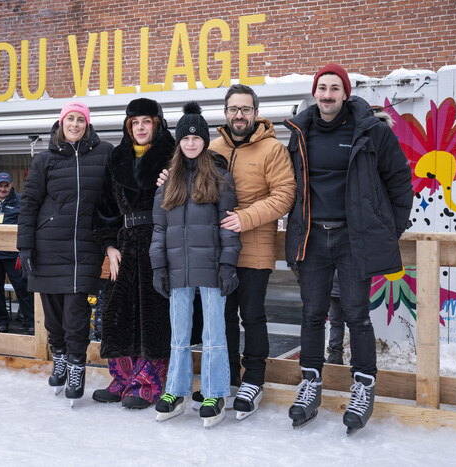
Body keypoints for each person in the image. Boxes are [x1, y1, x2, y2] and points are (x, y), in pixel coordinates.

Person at [284, 64, 413, 433]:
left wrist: (391, 229)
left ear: (346, 93)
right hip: (312, 237)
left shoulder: (370, 131)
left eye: (334, 89)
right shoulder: (300, 132)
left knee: (357, 314)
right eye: (322, 88)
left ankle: (363, 386)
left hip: (352, 238)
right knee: (312, 314)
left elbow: (400, 179)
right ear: (315, 93)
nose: (327, 95)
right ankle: (310, 385)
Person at [193, 84, 297, 419]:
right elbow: (193, 183)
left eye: (246, 109)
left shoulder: (272, 150)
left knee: (251, 315)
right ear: (226, 113)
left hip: (254, 247)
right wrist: (168, 177)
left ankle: (253, 379)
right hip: (219, 250)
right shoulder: (212, 147)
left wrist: (244, 218)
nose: (240, 115)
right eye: (234, 109)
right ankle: (225, 378)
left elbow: (284, 195)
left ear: (255, 113)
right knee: (222, 317)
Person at [150, 102, 241, 428]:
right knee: (179, 334)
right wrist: (159, 267)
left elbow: (229, 228)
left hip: (212, 268)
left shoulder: (220, 179)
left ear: (204, 141)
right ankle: (176, 391)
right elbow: (159, 230)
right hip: (177, 270)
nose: (191, 143)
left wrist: (228, 265)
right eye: (185, 139)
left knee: (214, 333)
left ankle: (215, 392)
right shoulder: (167, 183)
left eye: (196, 138)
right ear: (179, 142)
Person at [17, 101, 113, 406]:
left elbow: (113, 199)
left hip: (86, 247)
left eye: (80, 119)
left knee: (77, 314)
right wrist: (25, 246)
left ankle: (75, 366)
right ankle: (58, 356)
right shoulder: (45, 160)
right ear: (61, 123)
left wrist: (110, 239)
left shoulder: (104, 153)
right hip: (49, 247)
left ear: (87, 124)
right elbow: (29, 204)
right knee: (54, 318)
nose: (74, 124)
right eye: (69, 119)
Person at [92, 98, 175, 409]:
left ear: (157, 123)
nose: (141, 128)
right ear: (129, 126)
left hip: (159, 240)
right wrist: (109, 246)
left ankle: (148, 382)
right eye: (135, 122)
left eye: (147, 122)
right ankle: (122, 378)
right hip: (125, 243)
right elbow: (104, 209)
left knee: (153, 314)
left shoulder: (173, 153)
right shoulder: (117, 158)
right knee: (118, 312)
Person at [0, 172, 35, 333]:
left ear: (11, 185)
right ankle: (1, 322)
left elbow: (27, 222)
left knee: (22, 288)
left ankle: (30, 321)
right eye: (0, 185)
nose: (3, 189)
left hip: (14, 254)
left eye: (6, 185)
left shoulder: (20, 200)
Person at [326, 271, 345, 365]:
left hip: (353, 287)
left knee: (357, 324)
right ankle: (335, 356)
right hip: (331, 287)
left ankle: (359, 357)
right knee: (335, 322)